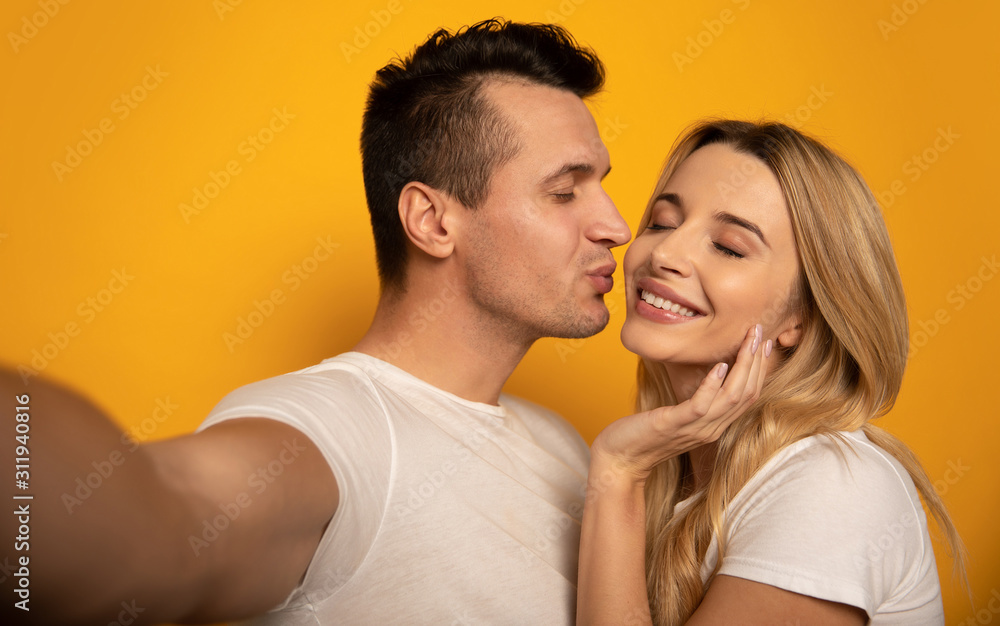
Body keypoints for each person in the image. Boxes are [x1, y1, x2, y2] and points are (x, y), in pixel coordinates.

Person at [0, 19, 631, 624]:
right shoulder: (330, 430)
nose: (616, 227)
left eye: (600, 183)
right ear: (433, 222)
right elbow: (166, 516)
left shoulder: (564, 445)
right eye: (564, 191)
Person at [576, 120, 965, 625]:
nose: (664, 255)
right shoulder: (675, 479)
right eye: (663, 222)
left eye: (730, 247)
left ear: (800, 318)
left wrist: (617, 471)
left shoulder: (834, 484)